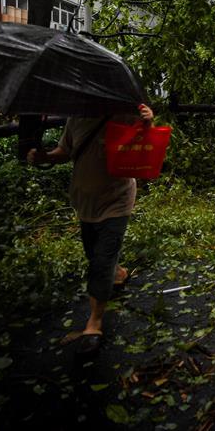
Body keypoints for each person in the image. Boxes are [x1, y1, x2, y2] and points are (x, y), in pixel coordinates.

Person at [27, 103, 154, 354]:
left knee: (101, 260)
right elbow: (65, 151)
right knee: (93, 252)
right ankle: (118, 273)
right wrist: (45, 157)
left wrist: (148, 122)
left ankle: (94, 322)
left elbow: (146, 145)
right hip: (85, 200)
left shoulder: (125, 113)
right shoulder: (76, 117)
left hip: (118, 198)